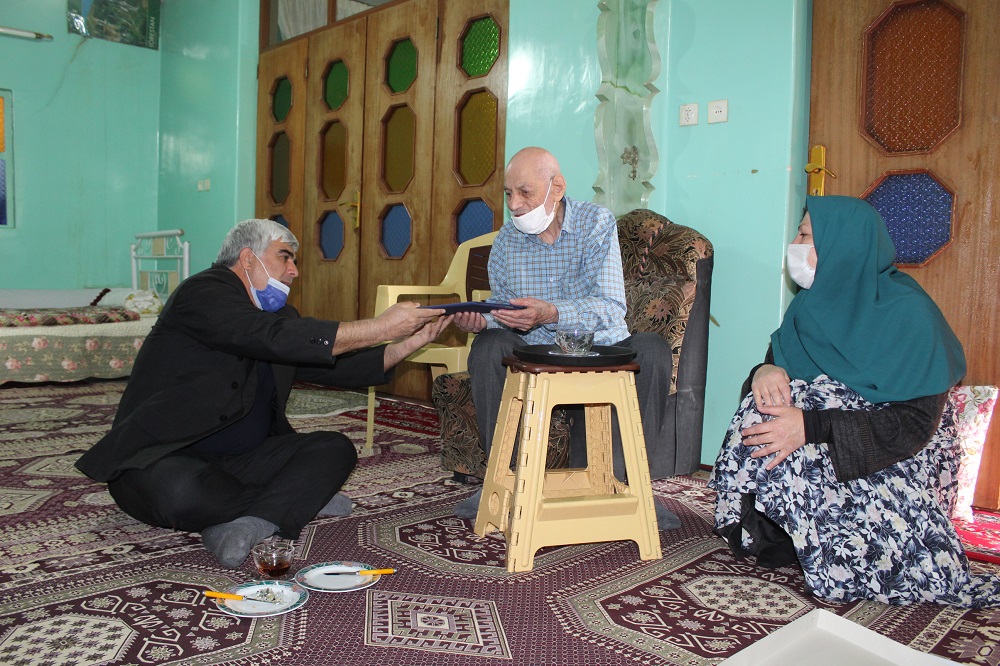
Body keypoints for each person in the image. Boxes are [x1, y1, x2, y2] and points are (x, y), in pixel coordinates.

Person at [76, 219, 451, 569]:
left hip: (243, 461)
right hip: (167, 456)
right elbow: (266, 337)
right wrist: (380, 326)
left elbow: (331, 365)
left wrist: (405, 344)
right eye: (285, 257)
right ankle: (293, 501)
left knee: (333, 448)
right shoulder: (203, 292)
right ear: (248, 258)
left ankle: (250, 522)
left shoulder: (281, 318)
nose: (294, 271)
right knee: (180, 492)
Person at [710, 195, 1000, 607]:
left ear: (842, 245)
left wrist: (811, 426)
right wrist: (763, 372)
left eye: (805, 234)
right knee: (771, 402)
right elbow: (775, 375)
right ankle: (781, 533)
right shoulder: (808, 307)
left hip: (901, 457)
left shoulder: (910, 315)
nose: (794, 242)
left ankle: (850, 545)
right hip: (836, 442)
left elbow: (914, 427)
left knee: (809, 405)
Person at [451, 146, 680, 530]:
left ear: (556, 188)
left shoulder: (596, 223)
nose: (515, 204)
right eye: (508, 193)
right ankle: (500, 480)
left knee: (653, 350)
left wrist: (552, 312)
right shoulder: (506, 241)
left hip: (599, 347)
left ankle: (629, 484)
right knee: (488, 347)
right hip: (537, 349)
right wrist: (483, 322)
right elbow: (506, 315)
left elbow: (611, 306)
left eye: (524, 192)